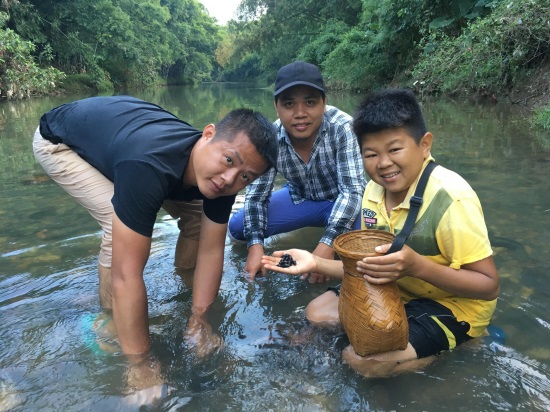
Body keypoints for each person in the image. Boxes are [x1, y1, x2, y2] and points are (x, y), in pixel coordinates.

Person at [33, 95, 278, 389]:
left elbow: (212, 250)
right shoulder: (148, 164)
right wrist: (141, 364)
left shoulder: (224, 179)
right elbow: (127, 274)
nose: (229, 179)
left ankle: (183, 285)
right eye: (228, 160)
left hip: (123, 137)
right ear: (208, 134)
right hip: (62, 142)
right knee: (118, 229)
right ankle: (109, 321)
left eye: (245, 177)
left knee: (199, 220)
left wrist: (200, 320)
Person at [261, 88, 500, 377]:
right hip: (394, 290)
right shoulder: (373, 191)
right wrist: (315, 263)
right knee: (316, 313)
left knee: (362, 361)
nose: (383, 163)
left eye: (395, 149)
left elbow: (489, 286)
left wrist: (416, 266)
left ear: (424, 145)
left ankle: (462, 341)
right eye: (371, 154)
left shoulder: (451, 198)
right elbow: (365, 266)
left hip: (452, 304)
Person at [228, 61, 366, 282]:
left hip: (344, 201)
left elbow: (352, 191)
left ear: (324, 103)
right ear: (276, 106)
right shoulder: (271, 138)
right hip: (302, 199)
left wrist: (325, 248)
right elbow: (256, 197)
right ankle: (306, 230)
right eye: (289, 104)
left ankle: (329, 238)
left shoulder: (343, 128)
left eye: (310, 102)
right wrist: (256, 248)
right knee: (237, 229)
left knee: (364, 250)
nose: (300, 113)